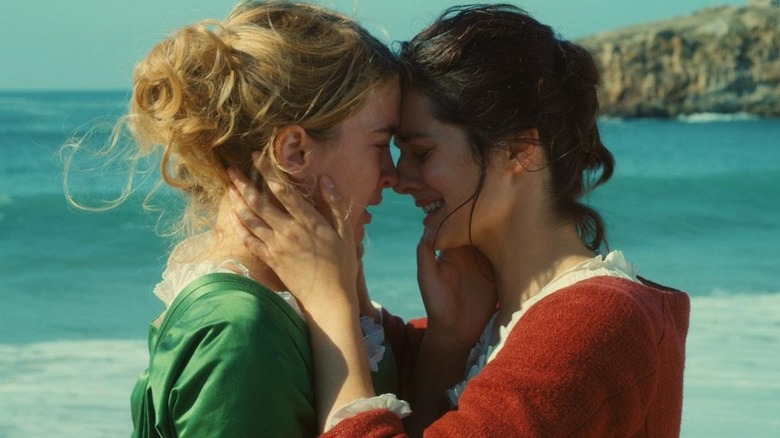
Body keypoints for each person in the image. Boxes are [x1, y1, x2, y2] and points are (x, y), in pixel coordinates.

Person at [228, 4, 691, 437]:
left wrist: (330, 300)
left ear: (518, 151)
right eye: (392, 148)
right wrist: (447, 343)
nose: (399, 178)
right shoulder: (493, 324)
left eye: (422, 152)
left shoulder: (594, 321)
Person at [63, 1, 406, 436]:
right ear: (295, 152)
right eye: (381, 144)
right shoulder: (240, 331)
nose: (394, 174)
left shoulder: (290, 304)